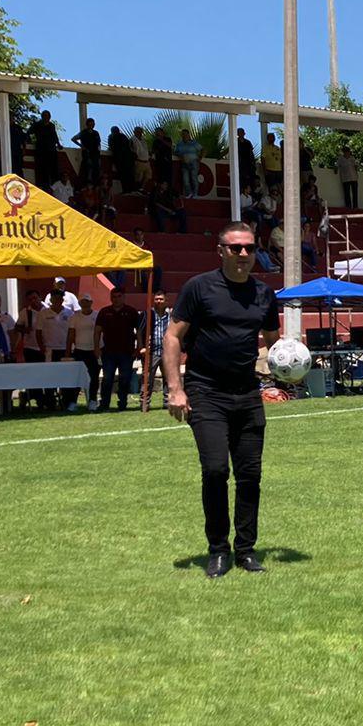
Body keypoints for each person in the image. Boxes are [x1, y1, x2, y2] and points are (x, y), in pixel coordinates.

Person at [163, 223, 280, 578]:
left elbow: (275, 343)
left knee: (250, 475)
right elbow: (172, 337)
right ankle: (218, 550)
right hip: (205, 392)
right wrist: (175, 388)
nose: (243, 254)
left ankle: (245, 551)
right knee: (215, 471)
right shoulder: (199, 288)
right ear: (221, 251)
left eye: (249, 248)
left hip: (247, 393)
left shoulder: (264, 294)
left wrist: (283, 373)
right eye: (235, 248)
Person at [95, 287, 142, 412]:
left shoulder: (131, 312)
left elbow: (138, 332)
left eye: (119, 296)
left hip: (126, 352)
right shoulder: (104, 312)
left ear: (124, 297)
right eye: (114, 297)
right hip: (108, 352)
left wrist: (139, 347)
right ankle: (104, 403)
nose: (116, 299)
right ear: (111, 298)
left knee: (124, 378)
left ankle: (123, 403)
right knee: (107, 378)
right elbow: (97, 331)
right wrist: (96, 347)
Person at [67, 293, 100, 411]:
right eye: (82, 301)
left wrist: (99, 350)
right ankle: (73, 402)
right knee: (76, 377)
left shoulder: (97, 315)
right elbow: (70, 334)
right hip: (79, 350)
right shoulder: (75, 317)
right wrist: (68, 351)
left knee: (94, 377)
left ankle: (92, 400)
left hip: (94, 351)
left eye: (87, 301)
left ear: (91, 302)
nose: (84, 304)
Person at [144, 290, 172, 400]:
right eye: (156, 299)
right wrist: (142, 346)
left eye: (161, 299)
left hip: (167, 351)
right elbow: (140, 331)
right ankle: (145, 402)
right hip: (153, 351)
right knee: (147, 378)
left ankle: (167, 402)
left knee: (168, 378)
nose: (159, 301)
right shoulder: (148, 314)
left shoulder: (171, 315)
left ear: (166, 301)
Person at [31, 110, 60, 187]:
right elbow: (29, 132)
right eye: (45, 116)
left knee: (53, 170)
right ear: (42, 116)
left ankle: (52, 186)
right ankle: (43, 185)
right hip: (41, 151)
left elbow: (55, 136)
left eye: (48, 116)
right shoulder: (37, 125)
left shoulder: (51, 126)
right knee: (42, 170)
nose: (47, 117)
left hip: (51, 150)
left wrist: (58, 144)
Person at [73, 118, 102, 187]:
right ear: (87, 124)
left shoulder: (96, 133)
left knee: (95, 170)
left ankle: (94, 185)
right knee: (86, 169)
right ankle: (85, 185)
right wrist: (82, 146)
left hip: (95, 154)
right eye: (90, 124)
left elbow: (98, 144)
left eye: (93, 124)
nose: (92, 125)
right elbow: (74, 139)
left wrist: (98, 153)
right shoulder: (83, 132)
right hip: (87, 154)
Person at [108, 125, 136, 193]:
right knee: (129, 175)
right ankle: (130, 190)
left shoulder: (112, 137)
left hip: (120, 159)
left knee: (123, 176)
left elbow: (112, 147)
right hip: (127, 159)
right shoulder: (123, 136)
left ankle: (126, 190)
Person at [175, 127, 201, 198]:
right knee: (185, 180)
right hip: (184, 163)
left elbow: (203, 149)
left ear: (189, 135)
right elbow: (176, 152)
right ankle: (189, 193)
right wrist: (180, 156)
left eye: (185, 134)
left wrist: (200, 158)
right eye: (183, 134)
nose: (184, 136)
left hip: (194, 162)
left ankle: (195, 194)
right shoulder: (179, 144)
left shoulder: (194, 143)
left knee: (194, 178)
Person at [336, 144, 360, 208]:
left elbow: (356, 166)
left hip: (354, 177)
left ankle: (355, 206)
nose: (347, 152)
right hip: (345, 178)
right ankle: (348, 206)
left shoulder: (352, 158)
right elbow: (336, 166)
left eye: (348, 151)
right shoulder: (340, 159)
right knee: (347, 194)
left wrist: (356, 167)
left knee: (355, 193)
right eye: (345, 151)